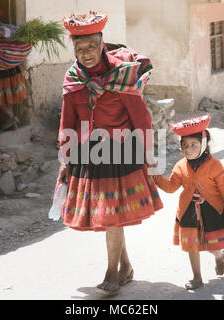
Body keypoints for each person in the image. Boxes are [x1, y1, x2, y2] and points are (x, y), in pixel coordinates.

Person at [56, 11, 163, 295]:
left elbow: (141, 118)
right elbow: (67, 122)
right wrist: (65, 158)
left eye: (91, 47)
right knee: (110, 215)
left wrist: (148, 153)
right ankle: (125, 266)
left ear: (102, 43)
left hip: (121, 152)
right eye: (80, 49)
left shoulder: (122, 74)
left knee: (111, 215)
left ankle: (112, 273)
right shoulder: (74, 79)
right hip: (89, 154)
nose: (86, 53)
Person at [153, 114, 224, 290]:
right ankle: (197, 277)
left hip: (212, 210)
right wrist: (156, 176)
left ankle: (219, 255)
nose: (188, 149)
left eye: (193, 145)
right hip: (187, 211)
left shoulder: (215, 166)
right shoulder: (180, 166)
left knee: (212, 246)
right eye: (184, 145)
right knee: (191, 245)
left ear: (203, 144)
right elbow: (171, 187)